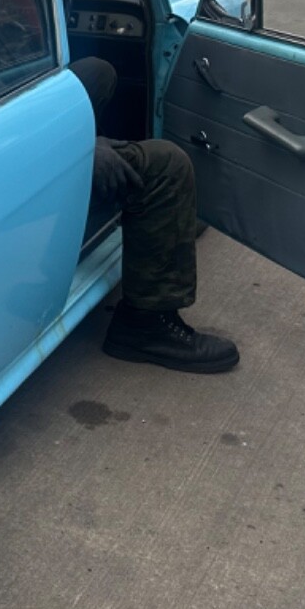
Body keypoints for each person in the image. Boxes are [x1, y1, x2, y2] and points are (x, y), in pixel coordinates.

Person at [71, 57, 240, 374]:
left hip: (1, 114)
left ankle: (120, 191)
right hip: (4, 152)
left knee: (99, 71)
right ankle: (144, 323)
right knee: (166, 166)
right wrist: (79, 147)